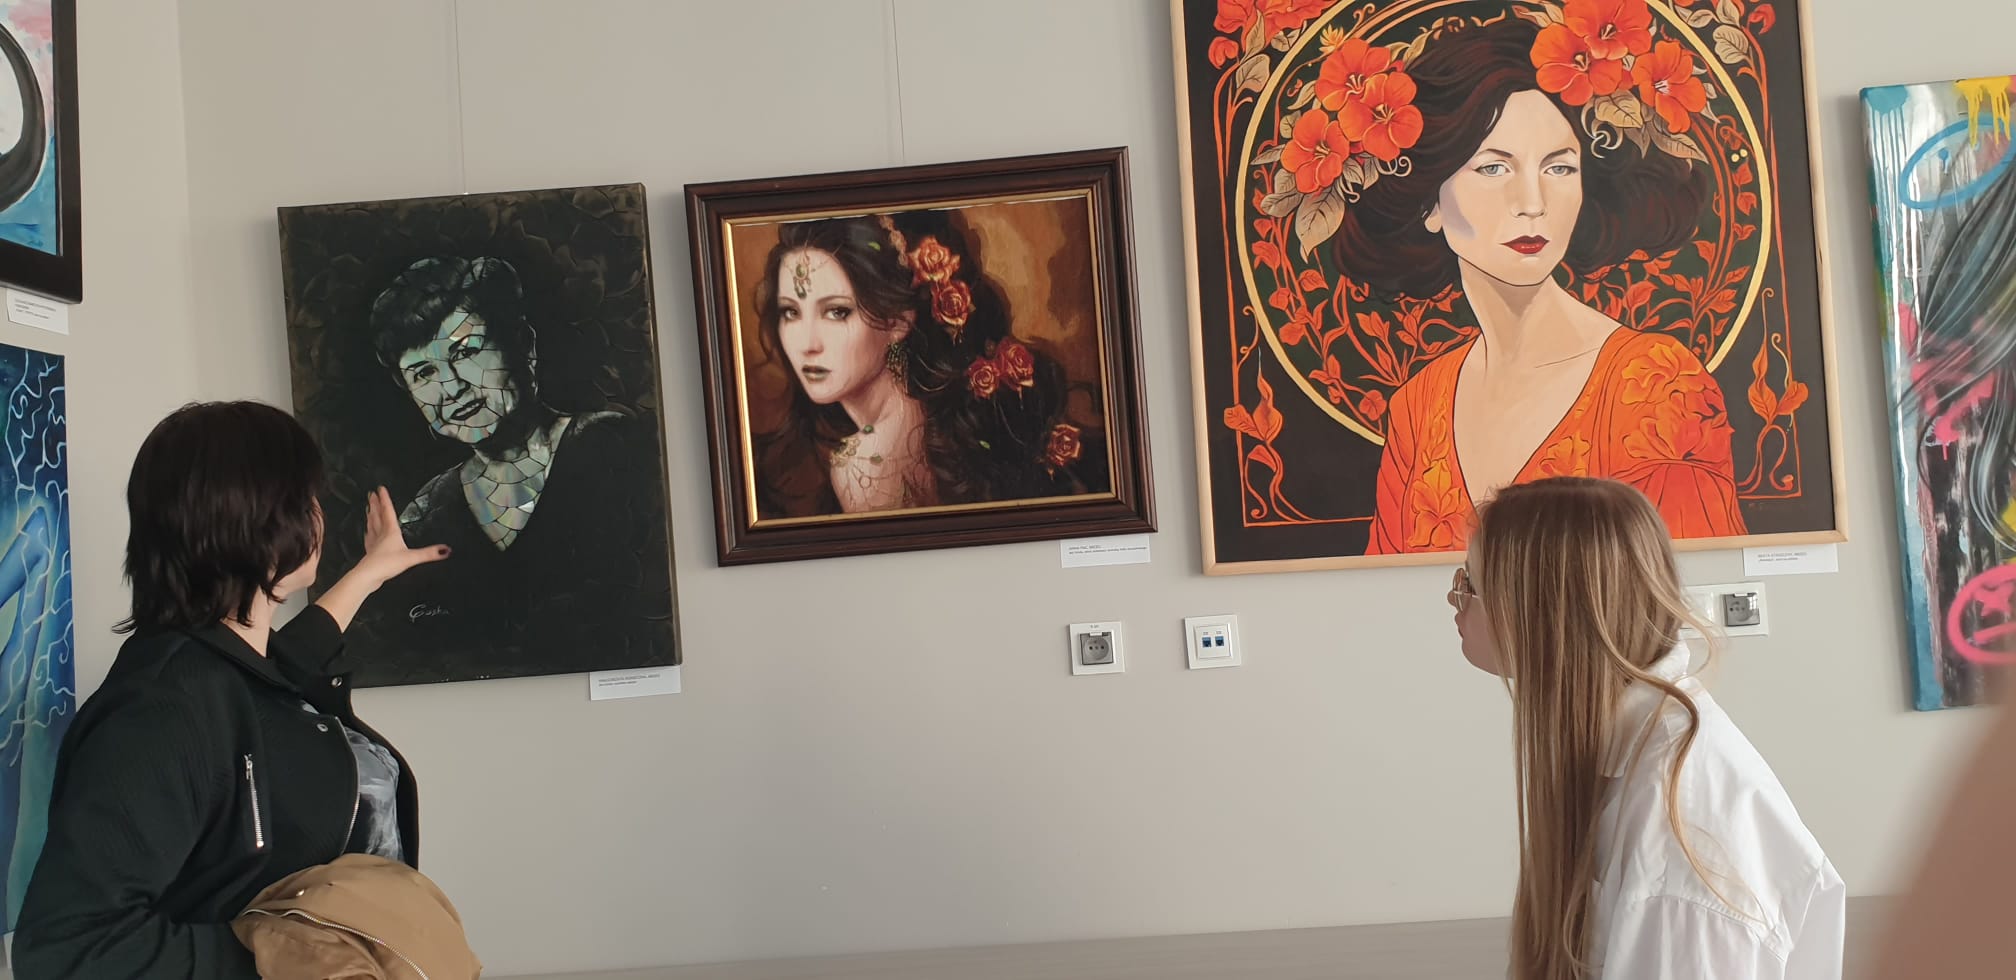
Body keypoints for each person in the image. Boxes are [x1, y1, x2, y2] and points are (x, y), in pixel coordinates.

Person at [15, 401, 450, 978]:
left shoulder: (234, 664)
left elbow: (289, 664)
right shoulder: (162, 708)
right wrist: (292, 959)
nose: (318, 517)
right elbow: (68, 948)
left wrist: (370, 572)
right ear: (254, 522)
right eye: (304, 501)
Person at [1339, 17, 1746, 553]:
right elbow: (1385, 590)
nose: (1532, 203)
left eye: (1559, 168)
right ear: (1429, 203)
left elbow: (1682, 590)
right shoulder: (1419, 404)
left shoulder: (1655, 386)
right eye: (1493, 169)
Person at [1451, 477, 1841, 979]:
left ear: (1541, 612)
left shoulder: (1678, 837)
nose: (1454, 599)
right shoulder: (1626, 747)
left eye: (1469, 583)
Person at [364, 255, 674, 681]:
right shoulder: (424, 517)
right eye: (423, 373)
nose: (451, 387)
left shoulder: (613, 447)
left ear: (523, 345)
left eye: (465, 352)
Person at [751, 210, 1108, 518]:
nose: (808, 344)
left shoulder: (860, 464)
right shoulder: (938, 414)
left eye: (837, 312)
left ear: (898, 321)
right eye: (790, 312)